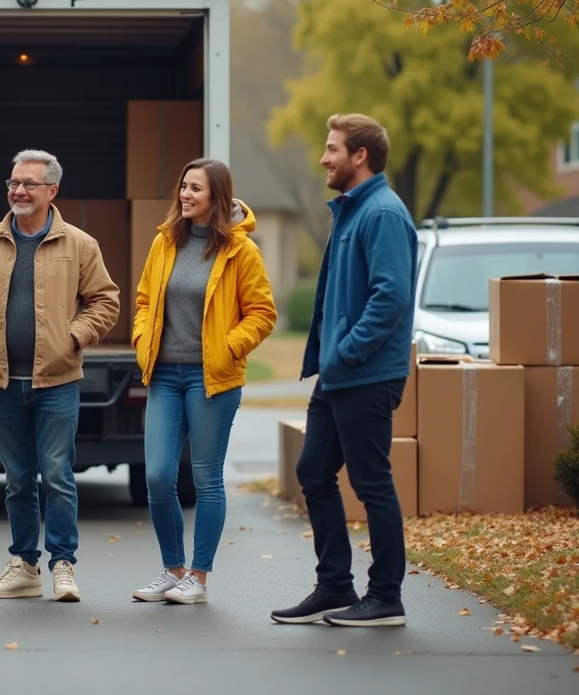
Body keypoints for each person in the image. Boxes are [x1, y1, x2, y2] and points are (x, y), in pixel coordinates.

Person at [0, 149, 120, 603]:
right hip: (4, 382)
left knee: (58, 476)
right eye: (14, 182)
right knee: (18, 479)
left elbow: (106, 301)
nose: (19, 191)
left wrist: (73, 337)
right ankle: (24, 567)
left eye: (29, 183)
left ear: (52, 191)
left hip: (57, 381)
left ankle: (63, 565)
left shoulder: (80, 244)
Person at [271, 113, 416, 627]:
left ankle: (386, 597)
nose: (323, 158)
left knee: (371, 481)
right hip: (340, 374)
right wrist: (332, 359)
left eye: (332, 149)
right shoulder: (353, 211)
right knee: (313, 471)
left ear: (360, 156)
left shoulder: (383, 213)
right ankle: (335, 585)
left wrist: (347, 351)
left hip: (366, 373)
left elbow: (391, 297)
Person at [130, 158, 277, 605]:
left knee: (207, 479)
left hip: (211, 377)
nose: (185, 195)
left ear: (217, 196)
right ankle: (173, 570)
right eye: (183, 186)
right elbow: (144, 300)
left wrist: (228, 347)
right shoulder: (165, 243)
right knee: (157, 475)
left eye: (195, 188)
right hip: (164, 375)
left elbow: (262, 313)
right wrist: (141, 339)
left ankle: (198, 577)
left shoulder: (240, 250)